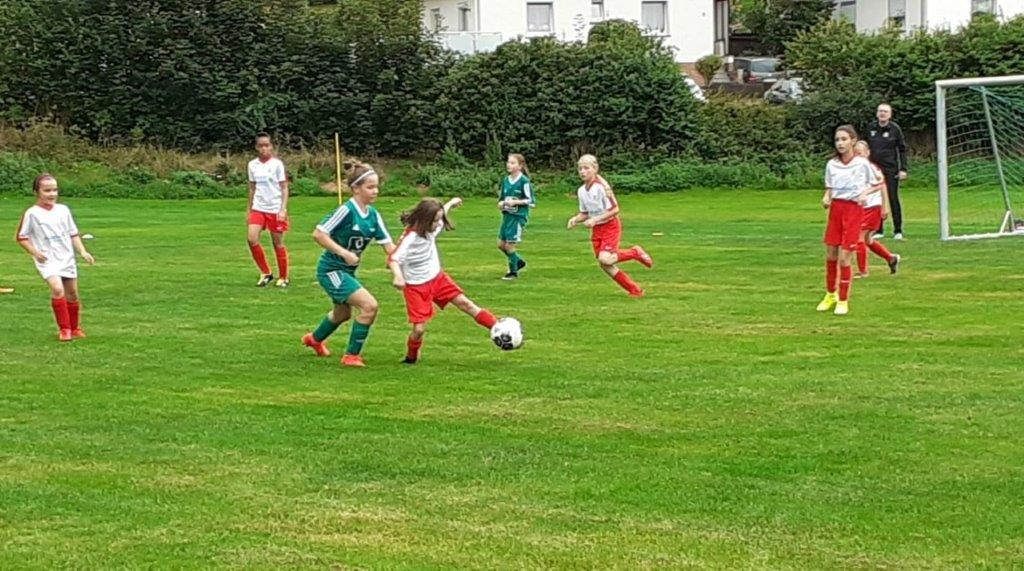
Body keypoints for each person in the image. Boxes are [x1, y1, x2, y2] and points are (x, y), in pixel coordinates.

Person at [301, 161, 394, 367]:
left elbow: (388, 245)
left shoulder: (373, 215)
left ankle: (314, 340)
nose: (375, 191)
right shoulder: (346, 211)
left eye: (377, 187)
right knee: (369, 306)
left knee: (342, 314)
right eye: (370, 187)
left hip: (347, 272)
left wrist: (399, 261)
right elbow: (319, 234)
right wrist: (343, 253)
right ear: (356, 189)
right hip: (331, 270)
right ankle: (351, 356)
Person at [389, 197, 500, 364]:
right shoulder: (410, 238)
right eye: (435, 221)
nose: (438, 224)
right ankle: (411, 357)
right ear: (425, 220)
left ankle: (499, 328)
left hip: (437, 278)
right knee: (419, 330)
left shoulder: (432, 227)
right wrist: (398, 276)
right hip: (416, 287)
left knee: (466, 304)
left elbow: (442, 213)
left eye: (439, 219)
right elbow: (394, 259)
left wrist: (450, 204)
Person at [15, 173, 95, 340]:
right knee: (58, 289)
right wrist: (35, 252)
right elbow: (21, 237)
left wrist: (83, 251)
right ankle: (64, 329)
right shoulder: (32, 213)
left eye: (54, 190)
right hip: (47, 259)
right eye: (47, 190)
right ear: (37, 192)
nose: (52, 194)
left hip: (66, 257)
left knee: (72, 294)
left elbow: (73, 234)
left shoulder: (63, 210)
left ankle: (75, 328)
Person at [566, 154, 653, 297]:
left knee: (605, 259)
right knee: (605, 265)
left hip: (610, 226)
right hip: (597, 229)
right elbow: (586, 213)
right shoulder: (581, 191)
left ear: (595, 168)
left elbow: (615, 209)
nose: (582, 171)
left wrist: (595, 219)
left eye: (586, 168)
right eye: (580, 169)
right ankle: (635, 290)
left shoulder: (602, 187)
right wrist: (576, 219)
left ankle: (634, 252)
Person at [817, 126, 877, 316]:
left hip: (853, 210)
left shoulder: (862, 164)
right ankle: (830, 294)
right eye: (837, 140)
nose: (840, 143)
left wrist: (865, 193)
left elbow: (878, 183)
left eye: (844, 139)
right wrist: (826, 197)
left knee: (845, 257)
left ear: (853, 141)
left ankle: (843, 300)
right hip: (836, 209)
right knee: (831, 254)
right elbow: (829, 188)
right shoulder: (832, 164)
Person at [247, 132, 290, 287]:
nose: (264, 148)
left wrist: (282, 209)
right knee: (252, 239)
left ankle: (283, 277)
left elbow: (284, 188)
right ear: (256, 147)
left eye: (267, 145)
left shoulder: (277, 164)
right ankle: (266, 272)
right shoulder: (252, 165)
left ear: (271, 146)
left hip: (274, 208)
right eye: (261, 146)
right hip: (258, 207)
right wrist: (250, 209)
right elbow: (252, 188)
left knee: (277, 243)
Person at [853, 141, 901, 278]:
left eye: (860, 153)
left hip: (872, 207)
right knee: (867, 239)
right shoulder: (855, 170)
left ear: (868, 153)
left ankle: (863, 272)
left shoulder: (872, 168)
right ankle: (891, 258)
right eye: (855, 153)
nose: (857, 156)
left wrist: (884, 206)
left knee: (859, 237)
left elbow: (882, 186)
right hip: (861, 208)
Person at [866, 103, 908, 240]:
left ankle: (898, 230)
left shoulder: (895, 129)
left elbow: (902, 149)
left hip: (890, 168)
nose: (882, 113)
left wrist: (903, 168)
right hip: (874, 169)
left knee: (892, 197)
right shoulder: (871, 128)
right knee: (875, 198)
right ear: (877, 113)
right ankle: (878, 229)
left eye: (885, 111)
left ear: (889, 114)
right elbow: (865, 147)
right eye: (880, 111)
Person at [496, 153, 535, 280]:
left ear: (520, 166)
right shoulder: (506, 180)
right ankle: (518, 261)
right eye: (508, 162)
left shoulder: (524, 181)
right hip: (507, 216)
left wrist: (516, 202)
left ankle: (513, 272)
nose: (509, 165)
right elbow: (502, 198)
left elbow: (530, 200)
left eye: (513, 163)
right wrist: (501, 204)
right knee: (501, 244)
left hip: (517, 217)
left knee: (509, 245)